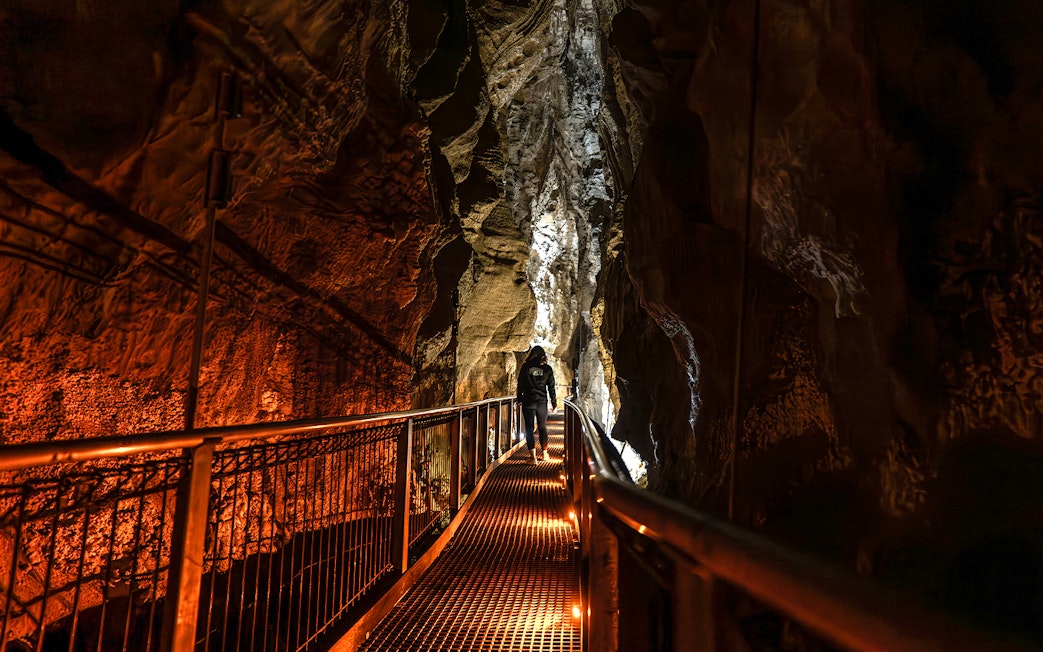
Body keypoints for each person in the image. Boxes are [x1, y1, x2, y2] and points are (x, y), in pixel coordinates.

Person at [516, 345, 557, 463]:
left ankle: (533, 457)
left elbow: (520, 384)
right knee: (542, 427)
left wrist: (519, 399)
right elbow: (551, 388)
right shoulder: (547, 369)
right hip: (541, 402)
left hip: (528, 401)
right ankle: (545, 454)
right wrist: (554, 404)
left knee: (529, 428)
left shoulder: (525, 367)